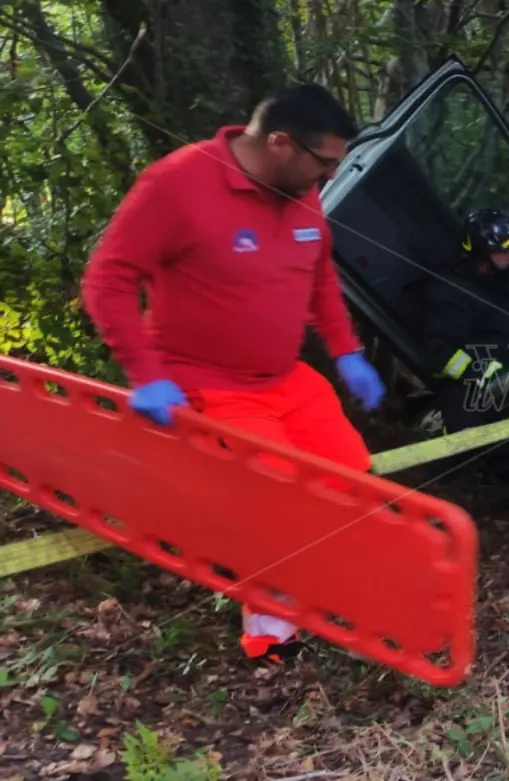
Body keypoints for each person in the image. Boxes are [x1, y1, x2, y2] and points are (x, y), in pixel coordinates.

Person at [81, 83, 386, 665]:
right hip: (207, 383)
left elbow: (318, 276)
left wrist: (346, 350)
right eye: (323, 164)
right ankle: (270, 636)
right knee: (275, 500)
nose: (326, 179)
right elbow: (108, 280)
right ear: (279, 142)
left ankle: (333, 595)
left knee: (354, 479)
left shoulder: (299, 191)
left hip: (283, 380)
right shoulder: (177, 184)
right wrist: (145, 373)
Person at [410, 208, 509, 435]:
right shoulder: (447, 293)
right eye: (506, 250)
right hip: (479, 380)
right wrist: (477, 370)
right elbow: (438, 353)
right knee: (466, 437)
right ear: (483, 253)